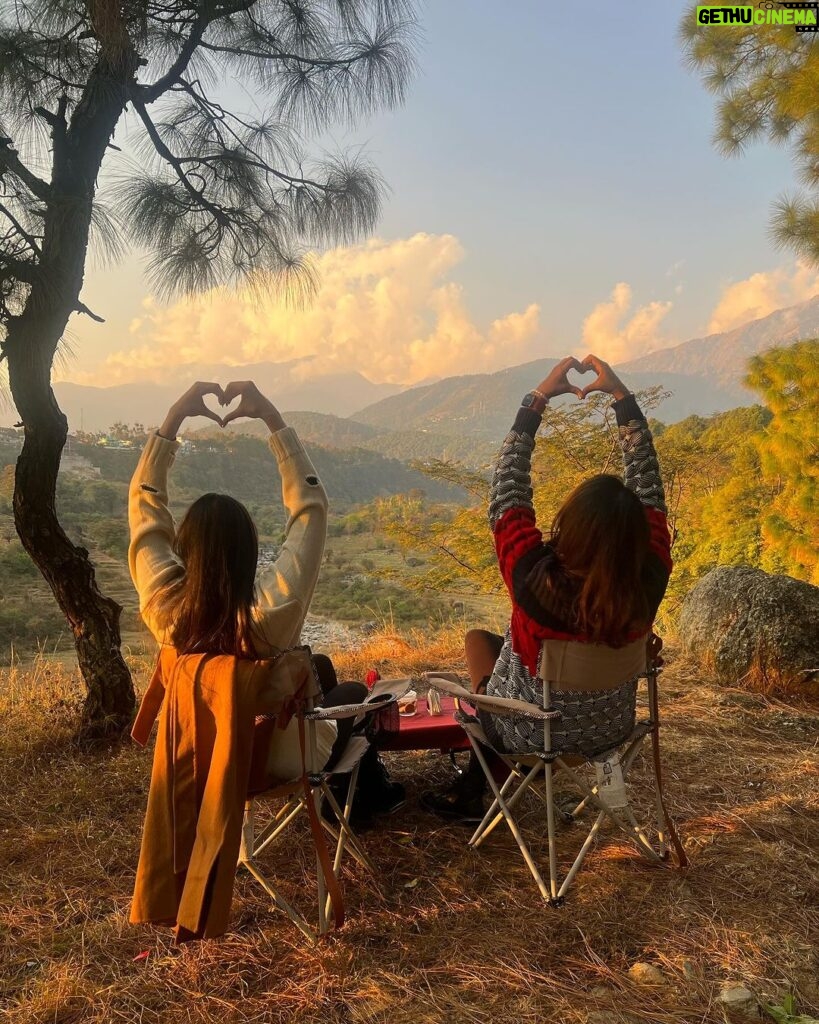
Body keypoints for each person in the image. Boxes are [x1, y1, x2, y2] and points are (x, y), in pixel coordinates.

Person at [128, 379, 403, 819]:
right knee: (352, 691)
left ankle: (369, 795)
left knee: (321, 667)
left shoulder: (163, 610)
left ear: (183, 549)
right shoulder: (270, 619)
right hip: (275, 761)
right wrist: (270, 417)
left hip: (198, 758)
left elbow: (145, 514)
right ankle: (357, 800)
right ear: (249, 553)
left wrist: (172, 420)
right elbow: (311, 509)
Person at [421, 354, 672, 822]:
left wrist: (536, 402)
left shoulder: (535, 578)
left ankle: (480, 784)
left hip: (529, 736)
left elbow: (507, 494)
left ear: (570, 529)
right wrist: (623, 400)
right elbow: (651, 489)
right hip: (609, 733)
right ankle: (481, 787)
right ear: (638, 536)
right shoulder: (649, 577)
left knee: (480, 643)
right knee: (504, 649)